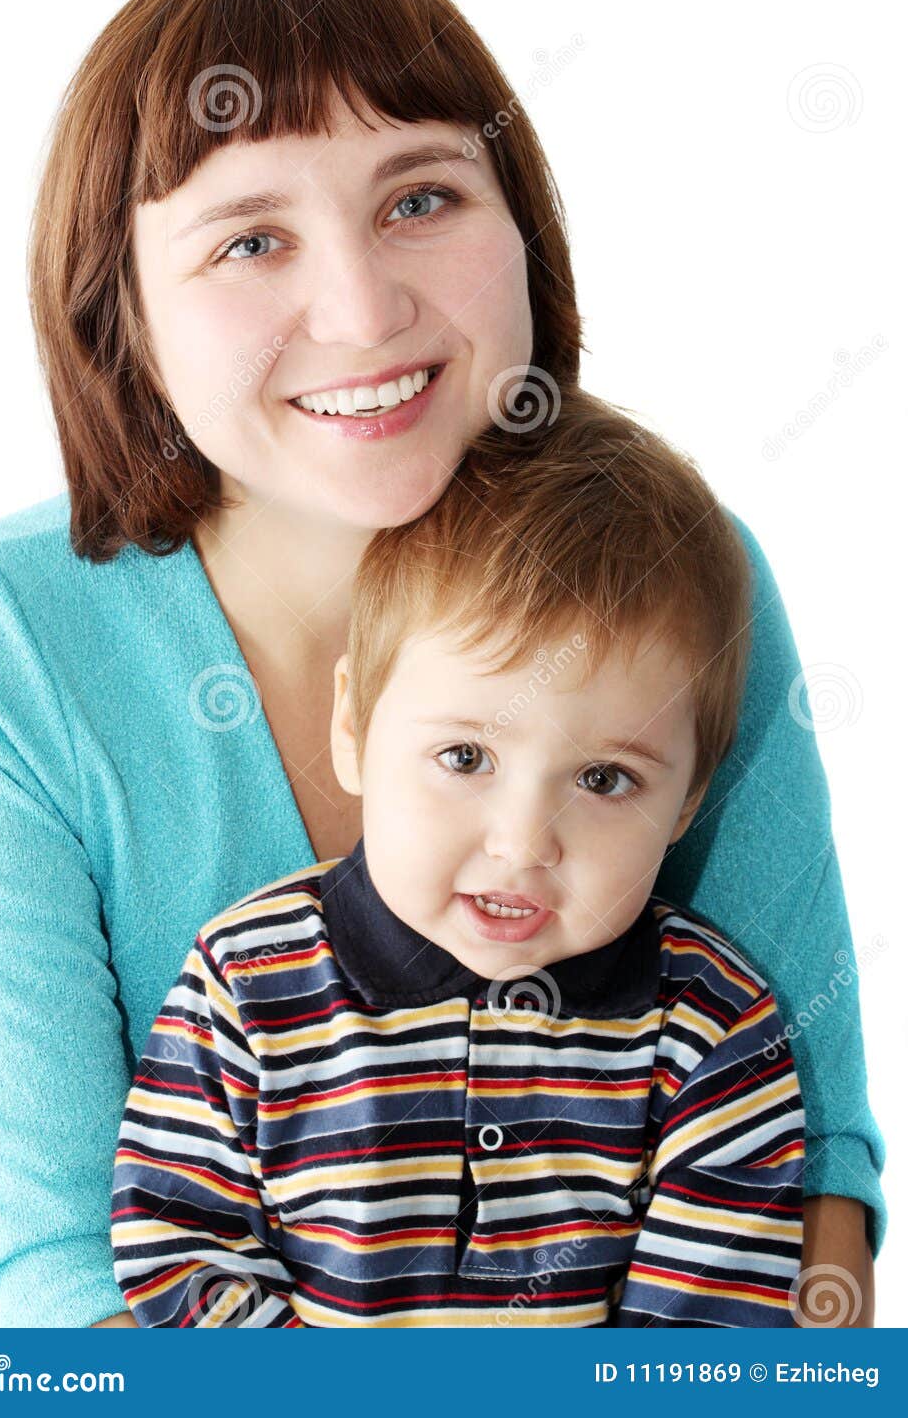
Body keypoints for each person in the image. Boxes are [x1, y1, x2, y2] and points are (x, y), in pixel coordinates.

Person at [0, 0, 882, 1329]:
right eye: (249, 237)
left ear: (520, 223)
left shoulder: (677, 573)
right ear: (127, 322)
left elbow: (803, 1160)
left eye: (419, 198)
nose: (358, 304)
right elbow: (63, 1268)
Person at [110, 388, 806, 1327]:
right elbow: (179, 1249)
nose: (521, 842)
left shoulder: (708, 1027)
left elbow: (704, 1342)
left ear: (687, 799)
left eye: (603, 780)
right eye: (464, 758)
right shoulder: (246, 981)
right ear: (352, 726)